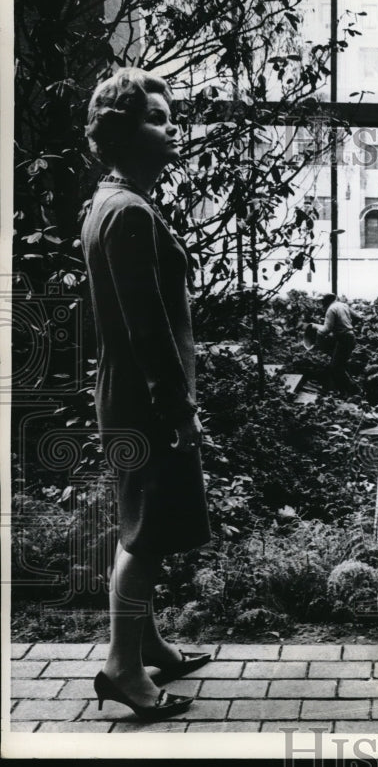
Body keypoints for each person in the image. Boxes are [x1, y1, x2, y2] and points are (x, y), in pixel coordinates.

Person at [80, 68, 211, 720]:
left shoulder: (111, 201)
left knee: (145, 530)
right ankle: (123, 670)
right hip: (143, 398)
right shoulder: (127, 212)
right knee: (144, 537)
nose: (171, 130)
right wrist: (179, 410)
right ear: (125, 131)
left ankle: (148, 642)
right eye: (157, 119)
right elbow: (148, 330)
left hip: (127, 394)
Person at [314, 293, 363, 396]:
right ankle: (348, 390)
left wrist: (317, 333)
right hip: (350, 337)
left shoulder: (330, 310)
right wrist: (348, 326)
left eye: (322, 302)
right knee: (340, 365)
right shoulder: (343, 305)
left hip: (343, 339)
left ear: (326, 302)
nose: (322, 304)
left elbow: (326, 329)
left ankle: (351, 391)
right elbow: (358, 317)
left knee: (335, 367)